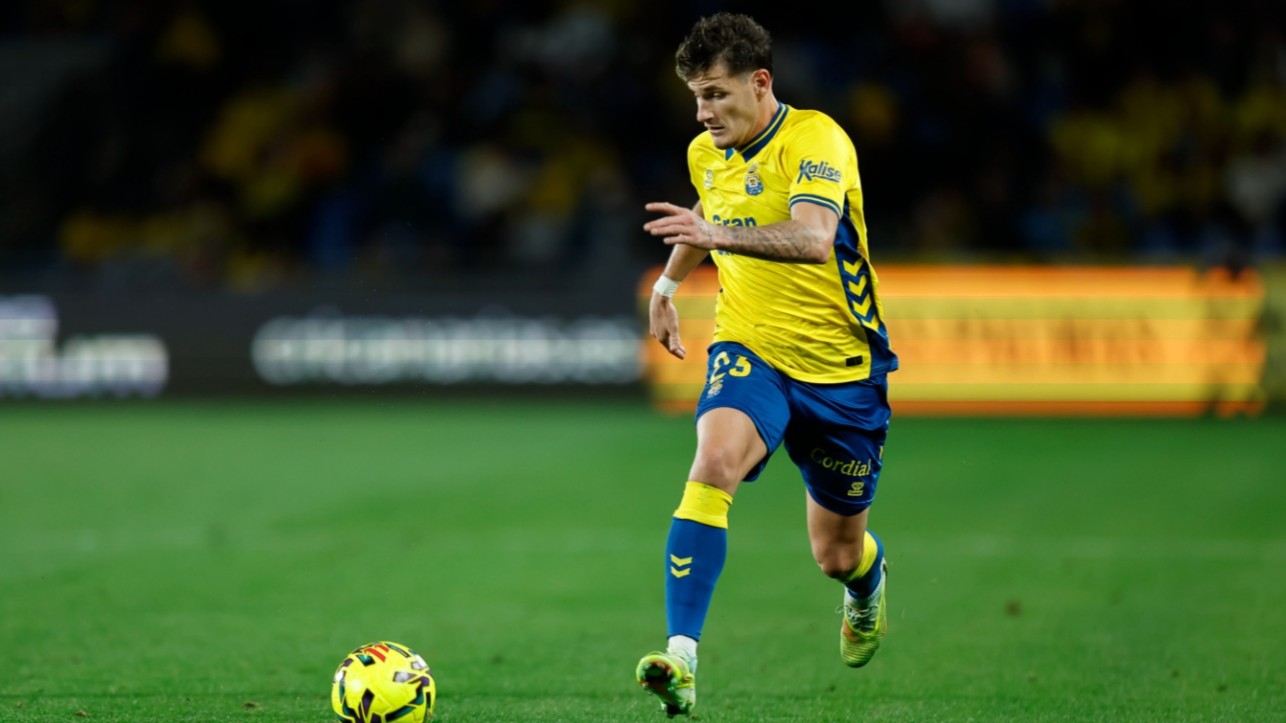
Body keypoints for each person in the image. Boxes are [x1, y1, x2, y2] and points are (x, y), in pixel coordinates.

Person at [634, 13, 899, 717]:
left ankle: (866, 586)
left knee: (836, 554)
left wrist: (713, 232)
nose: (703, 112)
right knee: (713, 460)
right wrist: (667, 286)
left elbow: (813, 238)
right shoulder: (706, 151)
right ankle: (681, 658)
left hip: (841, 370)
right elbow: (710, 207)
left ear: (759, 83)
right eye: (696, 97)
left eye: (716, 94)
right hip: (750, 346)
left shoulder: (816, 140)